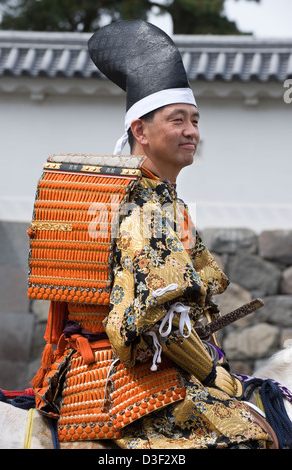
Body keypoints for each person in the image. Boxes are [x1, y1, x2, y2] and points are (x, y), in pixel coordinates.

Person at [29, 20, 275, 449]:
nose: (191, 131)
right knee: (251, 436)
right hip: (126, 383)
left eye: (195, 120)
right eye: (177, 119)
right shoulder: (142, 205)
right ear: (140, 132)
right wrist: (210, 371)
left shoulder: (153, 197)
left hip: (100, 372)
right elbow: (158, 318)